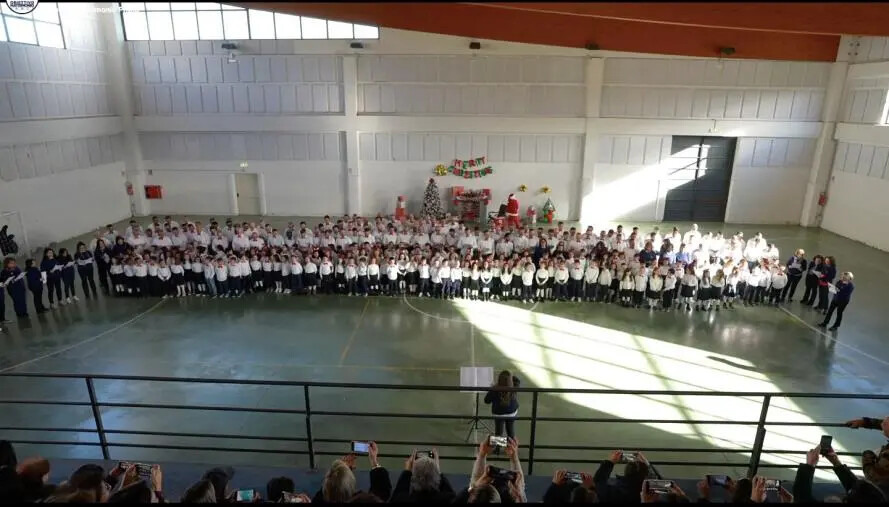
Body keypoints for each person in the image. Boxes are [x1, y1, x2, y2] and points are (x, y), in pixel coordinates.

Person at [390, 449, 455, 502]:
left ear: (413, 478)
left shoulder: (402, 499)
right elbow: (449, 493)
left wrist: (407, 471)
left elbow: (398, 494)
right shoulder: (448, 498)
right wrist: (437, 470)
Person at [484, 370, 520, 440]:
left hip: (498, 414)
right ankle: (511, 448)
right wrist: (510, 376)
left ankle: (498, 449)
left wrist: (492, 388)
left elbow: (486, 401)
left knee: (498, 432)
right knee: (510, 430)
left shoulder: (494, 389)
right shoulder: (514, 386)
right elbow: (517, 380)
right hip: (512, 412)